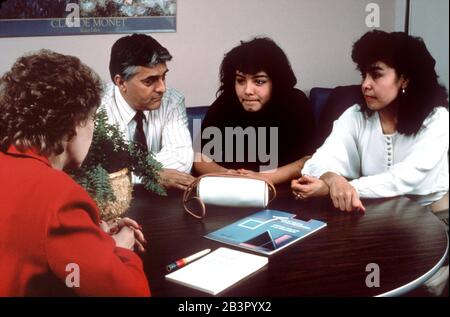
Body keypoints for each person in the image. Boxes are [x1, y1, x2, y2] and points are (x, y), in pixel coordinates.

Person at [0, 50, 150, 296]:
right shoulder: (59, 196)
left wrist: (95, 241)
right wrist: (121, 248)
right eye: (91, 118)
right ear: (74, 123)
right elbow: (130, 292)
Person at [292, 30, 449, 214]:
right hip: (376, 215)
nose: (365, 84)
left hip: (432, 218)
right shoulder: (356, 115)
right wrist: (333, 179)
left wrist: (337, 189)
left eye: (376, 74)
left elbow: (406, 178)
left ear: (404, 79)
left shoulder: (437, 118)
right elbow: (316, 162)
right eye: (364, 74)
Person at [194, 37, 316, 185]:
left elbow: (310, 159)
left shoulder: (296, 103)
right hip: (232, 189)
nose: (248, 91)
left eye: (259, 81)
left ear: (276, 82)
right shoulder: (226, 102)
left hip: (284, 191)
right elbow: (200, 158)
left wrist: (263, 178)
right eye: (240, 81)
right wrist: (225, 174)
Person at [102, 33, 195, 190]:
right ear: (121, 82)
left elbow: (182, 161)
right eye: (149, 81)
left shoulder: (172, 101)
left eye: (163, 77)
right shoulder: (97, 106)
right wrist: (151, 173)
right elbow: (97, 172)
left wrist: (127, 172)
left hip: (162, 204)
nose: (162, 88)